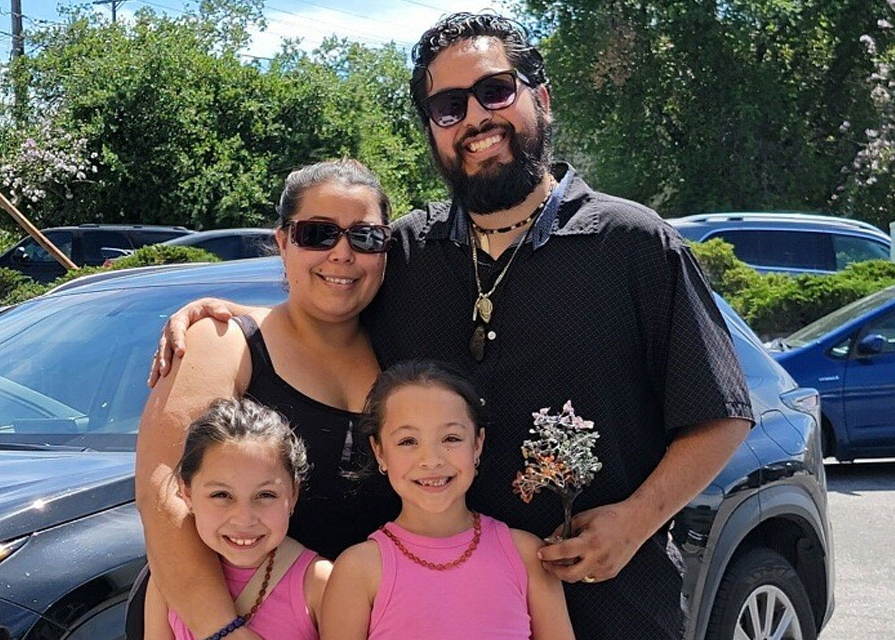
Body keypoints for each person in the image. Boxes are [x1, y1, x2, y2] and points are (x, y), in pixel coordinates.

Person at [149, 13, 754, 640]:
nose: (475, 118)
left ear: (539, 97)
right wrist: (228, 316)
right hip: (435, 611)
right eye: (448, 106)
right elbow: (326, 307)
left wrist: (634, 520)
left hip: (613, 603)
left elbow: (723, 412)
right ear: (433, 131)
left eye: (495, 90)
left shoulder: (632, 244)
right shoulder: (409, 251)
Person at [136, 159, 399, 640]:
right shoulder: (224, 343)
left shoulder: (403, 360)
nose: (341, 253)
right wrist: (225, 631)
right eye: (317, 233)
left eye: (364, 237)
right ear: (282, 242)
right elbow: (163, 494)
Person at [321, 360, 575, 640]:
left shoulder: (527, 555)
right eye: (408, 441)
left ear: (477, 444)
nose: (431, 460)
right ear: (379, 451)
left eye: (451, 438)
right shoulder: (358, 570)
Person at [144, 397, 329, 640]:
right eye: (221, 495)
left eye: (265, 495)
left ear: (293, 494)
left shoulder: (320, 583)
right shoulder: (167, 580)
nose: (244, 519)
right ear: (186, 493)